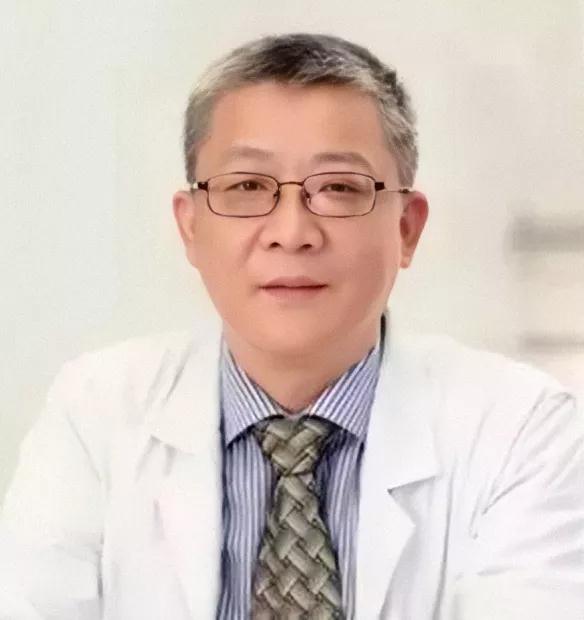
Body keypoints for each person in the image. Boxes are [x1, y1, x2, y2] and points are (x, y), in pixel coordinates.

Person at [1, 32, 583, 620]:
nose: (292, 232)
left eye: (339, 188)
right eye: (247, 187)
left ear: (406, 227)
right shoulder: (95, 413)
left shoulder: (523, 430)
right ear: (190, 226)